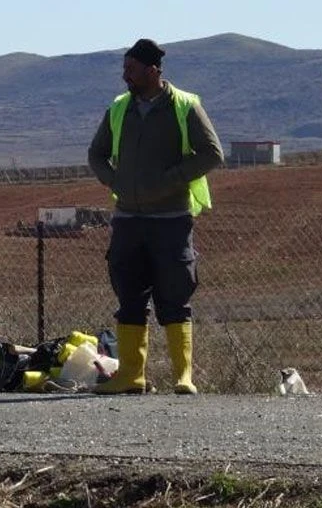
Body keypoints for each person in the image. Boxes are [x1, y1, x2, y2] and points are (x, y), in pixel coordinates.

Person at [87, 39, 223, 395]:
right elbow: (96, 153)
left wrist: (170, 181)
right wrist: (114, 179)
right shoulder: (119, 108)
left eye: (130, 69)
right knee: (129, 296)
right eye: (124, 69)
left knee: (175, 295)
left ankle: (183, 376)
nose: (125, 76)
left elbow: (212, 153)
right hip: (128, 220)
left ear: (153, 71)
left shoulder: (185, 106)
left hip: (171, 220)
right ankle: (132, 376)